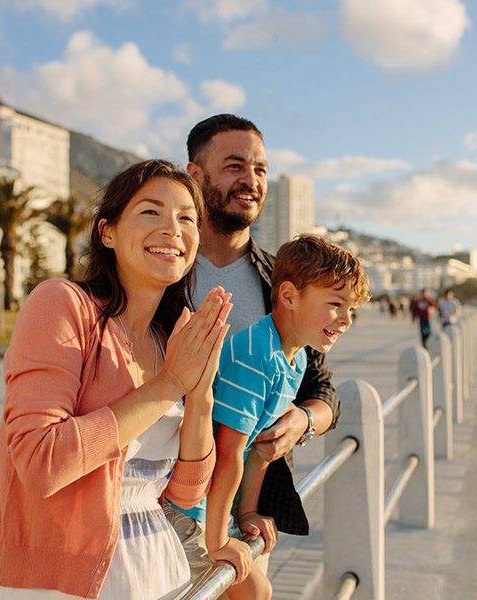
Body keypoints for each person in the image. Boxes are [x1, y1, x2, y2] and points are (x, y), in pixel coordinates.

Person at [0, 160, 233, 600]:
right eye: (151, 212)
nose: (172, 229)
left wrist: (200, 396)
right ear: (108, 233)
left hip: (157, 566)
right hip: (62, 581)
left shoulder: (170, 336)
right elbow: (42, 465)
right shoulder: (62, 305)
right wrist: (171, 384)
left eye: (186, 218)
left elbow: (183, 492)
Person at [162, 114, 341, 585]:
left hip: (247, 513)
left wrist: (301, 422)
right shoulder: (159, 269)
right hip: (153, 499)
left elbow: (322, 389)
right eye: (235, 166)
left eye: (260, 169)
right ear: (195, 178)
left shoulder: (280, 280)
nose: (251, 181)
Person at [171, 234, 370, 598]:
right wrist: (218, 540)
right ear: (290, 296)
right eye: (336, 304)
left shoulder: (296, 358)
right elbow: (229, 450)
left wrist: (247, 513)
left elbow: (261, 448)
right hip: (187, 504)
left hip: (217, 505)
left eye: (351, 310)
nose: (345, 320)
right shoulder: (256, 356)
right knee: (255, 592)